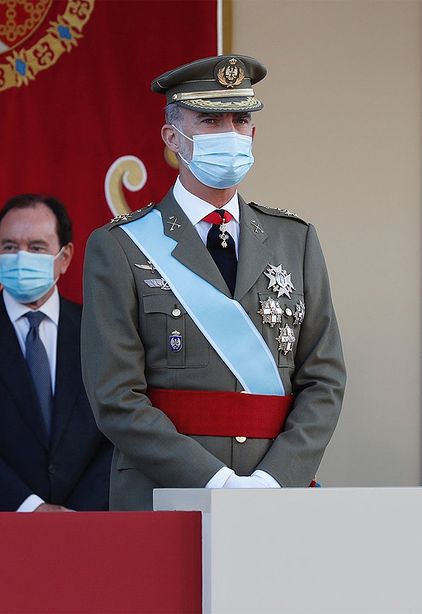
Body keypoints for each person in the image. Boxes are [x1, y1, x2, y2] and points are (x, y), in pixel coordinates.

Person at [81, 54, 346, 511]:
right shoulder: (121, 246)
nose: (230, 133)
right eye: (209, 119)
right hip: (163, 492)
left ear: (253, 134)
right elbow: (116, 397)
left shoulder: (294, 239)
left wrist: (273, 479)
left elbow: (323, 380)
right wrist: (216, 481)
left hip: (276, 497)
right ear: (173, 138)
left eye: (240, 119)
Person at [0, 194, 111, 511]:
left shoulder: (101, 332)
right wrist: (31, 508)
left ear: (65, 256)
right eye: (10, 247)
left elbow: (119, 428)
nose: (21, 257)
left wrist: (79, 516)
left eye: (37, 248)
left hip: (90, 526)